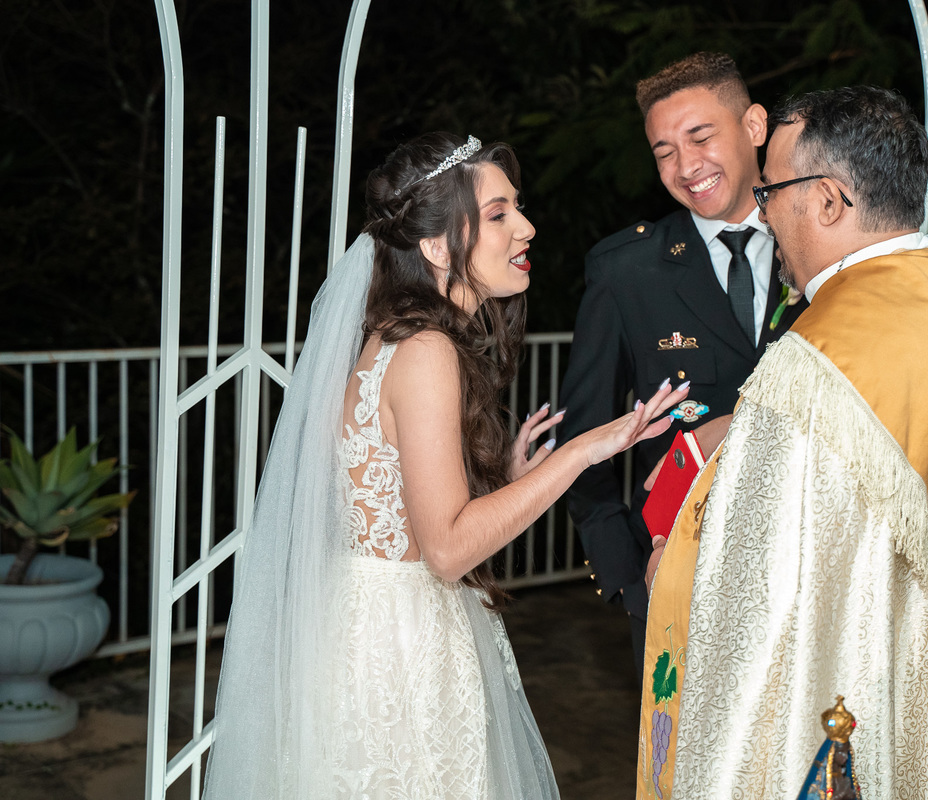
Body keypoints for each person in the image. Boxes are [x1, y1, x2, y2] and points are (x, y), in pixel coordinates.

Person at [201, 133, 689, 800]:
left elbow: (403, 516)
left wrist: (512, 483)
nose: (526, 226)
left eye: (518, 207)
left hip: (362, 627)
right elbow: (447, 549)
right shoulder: (428, 351)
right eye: (498, 214)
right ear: (436, 247)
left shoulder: (387, 336)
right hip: (400, 650)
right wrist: (583, 451)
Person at [636, 87, 928, 799]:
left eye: (769, 190)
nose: (762, 211)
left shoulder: (818, 362)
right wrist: (740, 426)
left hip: (846, 699)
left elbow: (758, 593)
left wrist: (676, 560)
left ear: (828, 201)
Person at [559, 52, 804, 676]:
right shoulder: (626, 272)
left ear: (754, 126)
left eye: (700, 136)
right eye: (663, 150)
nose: (685, 166)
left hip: (814, 581)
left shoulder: (824, 246)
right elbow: (581, 438)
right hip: (675, 585)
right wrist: (624, 578)